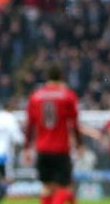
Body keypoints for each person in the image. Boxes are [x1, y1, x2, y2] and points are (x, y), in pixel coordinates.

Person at [23, 64, 81, 204]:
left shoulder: (35, 96)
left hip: (42, 148)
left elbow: (30, 125)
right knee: (65, 187)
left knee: (47, 187)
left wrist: (27, 147)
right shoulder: (68, 95)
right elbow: (74, 123)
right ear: (61, 77)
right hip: (61, 148)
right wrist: (79, 143)